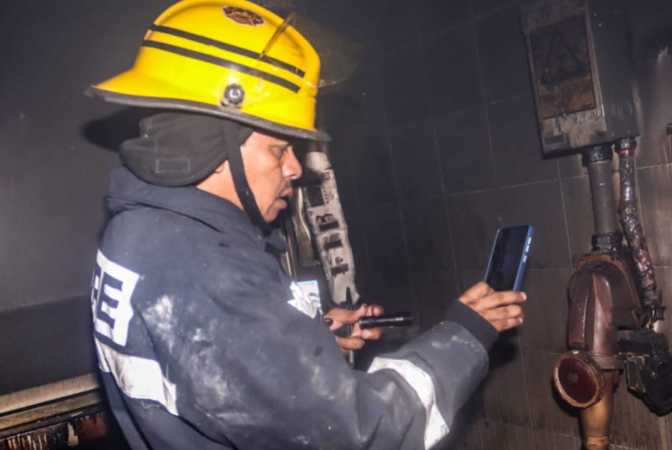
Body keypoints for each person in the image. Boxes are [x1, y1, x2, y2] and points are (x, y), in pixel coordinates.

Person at [87, 1, 526, 449]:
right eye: (279, 150)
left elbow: (209, 364)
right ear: (208, 147)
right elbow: (363, 432)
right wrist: (463, 337)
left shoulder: (137, 231)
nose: (295, 168)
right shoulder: (208, 272)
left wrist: (304, 339)